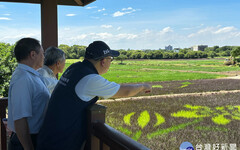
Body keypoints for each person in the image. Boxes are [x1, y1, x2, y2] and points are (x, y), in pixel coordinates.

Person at [37, 41, 152, 150]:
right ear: (103, 61)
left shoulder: (74, 68)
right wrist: (142, 86)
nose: (110, 62)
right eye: (110, 59)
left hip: (49, 137)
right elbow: (124, 91)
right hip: (60, 143)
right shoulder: (90, 79)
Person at [7, 37, 50, 150]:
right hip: (26, 142)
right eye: (42, 53)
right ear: (33, 54)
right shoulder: (23, 79)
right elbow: (20, 119)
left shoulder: (30, 75)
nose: (44, 57)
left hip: (34, 138)